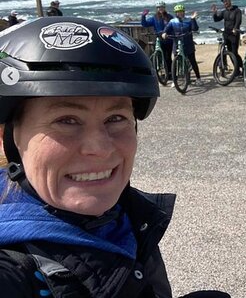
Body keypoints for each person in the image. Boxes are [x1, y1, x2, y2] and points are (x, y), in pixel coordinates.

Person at [0, 17, 227, 297]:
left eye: (116, 117)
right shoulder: (12, 270)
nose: (101, 148)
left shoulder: (127, 217)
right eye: (67, 120)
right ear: (7, 138)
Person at [163, 4, 203, 86]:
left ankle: (198, 78)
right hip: (177, 43)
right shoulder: (173, 21)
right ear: (176, 13)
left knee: (192, 61)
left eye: (181, 12)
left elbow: (195, 28)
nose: (180, 13)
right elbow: (166, 29)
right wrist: (164, 33)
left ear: (184, 12)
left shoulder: (188, 20)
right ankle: (175, 80)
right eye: (178, 12)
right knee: (175, 62)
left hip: (188, 44)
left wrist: (193, 19)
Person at [211, 0, 242, 77]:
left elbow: (238, 21)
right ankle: (237, 69)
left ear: (230, 0)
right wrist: (214, 13)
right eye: (224, 2)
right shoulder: (224, 12)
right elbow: (216, 19)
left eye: (226, 1)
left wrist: (235, 28)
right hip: (226, 34)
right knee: (229, 52)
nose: (225, 3)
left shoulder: (237, 10)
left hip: (234, 34)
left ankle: (240, 67)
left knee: (234, 53)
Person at [142, 0, 174, 80]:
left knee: (168, 57)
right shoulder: (154, 18)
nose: (161, 9)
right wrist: (143, 16)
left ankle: (169, 73)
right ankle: (162, 72)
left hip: (169, 39)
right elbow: (145, 24)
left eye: (162, 7)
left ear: (164, 8)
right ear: (157, 9)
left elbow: (174, 26)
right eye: (159, 7)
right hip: (159, 39)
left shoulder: (169, 17)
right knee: (161, 56)